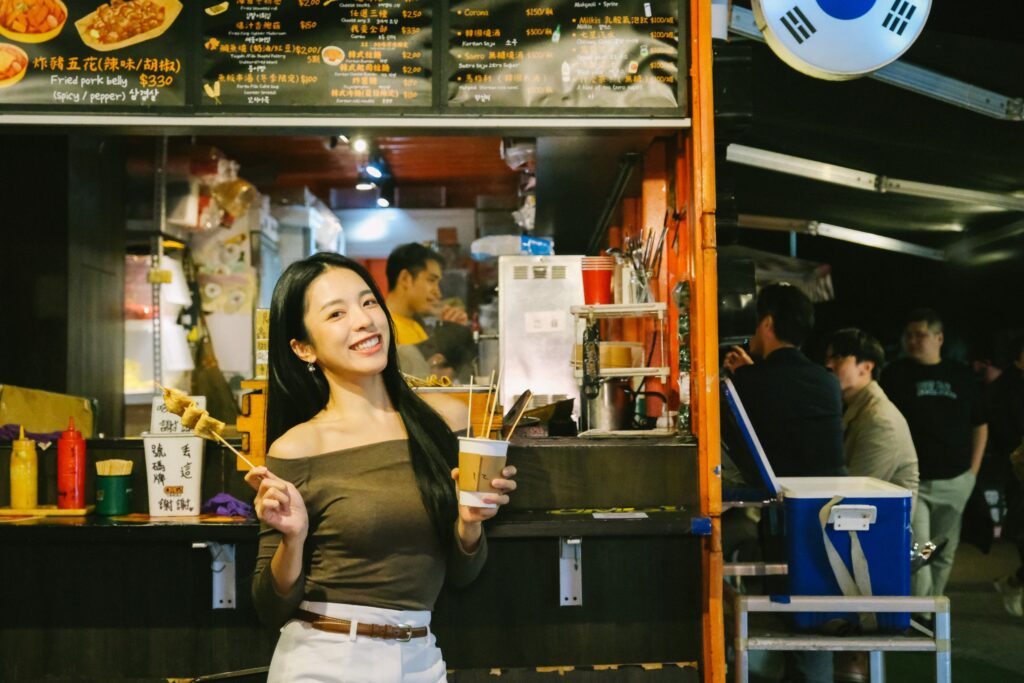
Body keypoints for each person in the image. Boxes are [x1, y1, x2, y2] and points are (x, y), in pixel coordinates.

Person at [244, 252, 517, 682]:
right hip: (326, 658)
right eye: (337, 313)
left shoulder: (440, 422)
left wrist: (469, 524)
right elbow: (269, 604)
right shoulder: (297, 446)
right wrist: (292, 539)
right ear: (303, 347)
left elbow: (463, 577)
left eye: (368, 302)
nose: (364, 320)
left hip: (421, 657)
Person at [723, 283, 844, 683]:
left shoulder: (749, 385)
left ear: (768, 323)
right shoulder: (826, 382)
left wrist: (744, 379)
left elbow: (738, 442)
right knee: (814, 621)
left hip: (782, 520)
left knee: (786, 620)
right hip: (829, 519)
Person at [881, 308, 987, 601]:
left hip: (955, 482)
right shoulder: (895, 375)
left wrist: (972, 475)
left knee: (943, 548)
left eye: (921, 335)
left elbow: (980, 424)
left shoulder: (960, 376)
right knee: (921, 550)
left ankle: (934, 609)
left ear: (939, 338)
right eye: (910, 335)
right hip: (916, 482)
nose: (914, 341)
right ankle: (924, 611)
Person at [723, 283, 845, 477]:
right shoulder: (828, 380)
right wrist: (749, 371)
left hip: (785, 499)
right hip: (832, 495)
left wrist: (746, 374)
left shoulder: (750, 381)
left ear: (767, 323)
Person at [825, 328, 920, 497]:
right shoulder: (856, 407)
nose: (829, 365)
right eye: (828, 358)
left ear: (866, 367)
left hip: (881, 520)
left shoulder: (880, 421)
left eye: (838, 358)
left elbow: (854, 494)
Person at [385, 243, 473, 380]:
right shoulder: (382, 329)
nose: (438, 293)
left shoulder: (416, 324)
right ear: (405, 278)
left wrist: (453, 330)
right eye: (431, 280)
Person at [991, 336, 1024, 616]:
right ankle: (1014, 584)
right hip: (1018, 471)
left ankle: (1014, 582)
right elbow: (1001, 430)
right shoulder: (1006, 387)